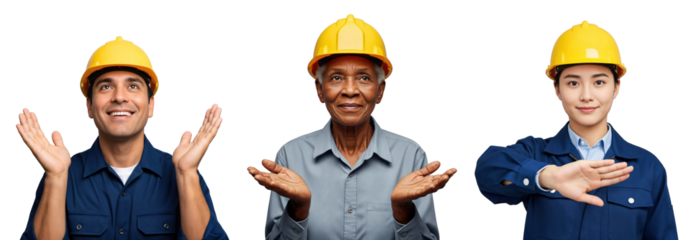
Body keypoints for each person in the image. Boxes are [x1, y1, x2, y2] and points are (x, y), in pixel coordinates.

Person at [245, 12, 458, 240]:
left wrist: (403, 211)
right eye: (336, 77)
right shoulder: (291, 155)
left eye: (364, 78)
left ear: (380, 91)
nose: (349, 90)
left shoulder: (411, 155)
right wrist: (298, 210)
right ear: (319, 90)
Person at [474, 19, 679, 239]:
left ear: (617, 87)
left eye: (599, 82)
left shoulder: (648, 166)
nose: (586, 95)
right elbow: (487, 170)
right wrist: (548, 176)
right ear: (557, 89)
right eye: (573, 83)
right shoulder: (536, 152)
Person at [16, 34, 230, 239]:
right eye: (106, 86)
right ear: (89, 106)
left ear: (151, 105)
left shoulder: (185, 173)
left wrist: (187, 174)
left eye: (133, 86)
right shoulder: (61, 174)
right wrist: (55, 178)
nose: (119, 97)